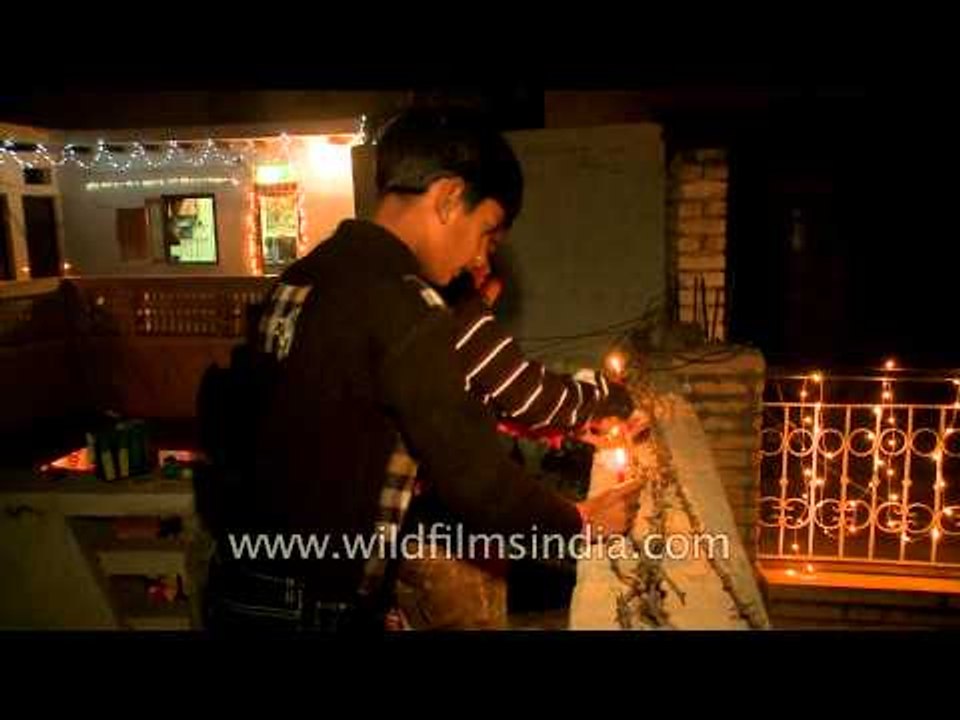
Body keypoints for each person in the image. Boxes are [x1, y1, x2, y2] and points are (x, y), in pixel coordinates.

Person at [199, 106, 641, 632]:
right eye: (487, 233)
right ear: (450, 198)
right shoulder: (408, 306)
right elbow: (477, 481)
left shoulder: (307, 274)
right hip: (313, 600)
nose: (480, 259)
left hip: (242, 579)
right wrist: (582, 521)